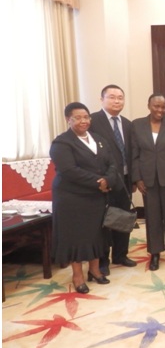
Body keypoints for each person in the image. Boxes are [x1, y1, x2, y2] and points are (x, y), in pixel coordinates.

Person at [50, 102, 116, 294]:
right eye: (77, 118)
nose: (83, 121)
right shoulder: (61, 143)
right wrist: (99, 182)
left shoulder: (98, 139)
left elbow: (112, 163)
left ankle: (94, 270)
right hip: (72, 197)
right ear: (68, 119)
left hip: (96, 197)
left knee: (96, 233)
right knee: (77, 237)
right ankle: (77, 275)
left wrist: (108, 179)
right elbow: (69, 170)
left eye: (86, 117)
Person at [131, 94, 165, 270]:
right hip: (148, 180)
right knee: (152, 217)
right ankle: (155, 253)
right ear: (149, 105)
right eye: (156, 106)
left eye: (163, 107)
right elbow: (134, 154)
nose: (160, 110)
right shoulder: (137, 125)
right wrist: (137, 178)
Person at [90, 84, 137, 275]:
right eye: (111, 97)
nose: (117, 101)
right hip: (104, 181)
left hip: (125, 179)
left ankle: (121, 254)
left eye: (120, 97)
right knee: (104, 221)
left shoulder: (127, 123)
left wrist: (133, 179)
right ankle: (103, 260)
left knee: (123, 217)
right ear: (101, 99)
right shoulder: (93, 121)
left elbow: (131, 153)